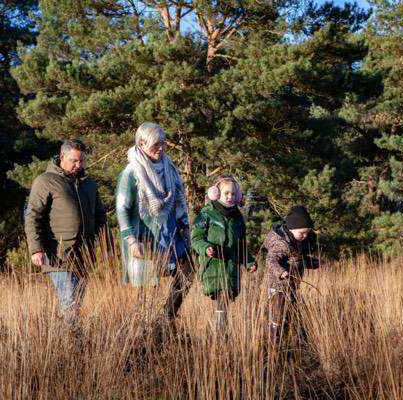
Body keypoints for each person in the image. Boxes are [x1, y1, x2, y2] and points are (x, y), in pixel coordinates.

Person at [25, 138, 109, 329]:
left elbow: (101, 218)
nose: (78, 165)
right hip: (59, 256)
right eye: (74, 161)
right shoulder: (46, 181)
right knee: (70, 303)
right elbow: (32, 217)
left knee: (75, 304)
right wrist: (36, 249)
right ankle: (69, 341)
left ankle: (68, 343)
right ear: (62, 157)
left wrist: (107, 245)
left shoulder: (88, 184)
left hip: (84, 256)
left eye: (81, 161)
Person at [116, 122, 192, 327]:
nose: (161, 148)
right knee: (145, 295)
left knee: (188, 272)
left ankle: (166, 318)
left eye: (162, 144)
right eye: (155, 144)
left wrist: (185, 228)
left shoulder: (170, 168)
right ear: (141, 144)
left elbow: (178, 202)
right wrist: (132, 241)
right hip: (145, 240)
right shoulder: (131, 172)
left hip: (171, 236)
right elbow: (122, 210)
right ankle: (137, 333)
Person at [191, 176, 257, 332]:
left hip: (232, 268)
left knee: (226, 297)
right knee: (223, 295)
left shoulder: (238, 218)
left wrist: (249, 262)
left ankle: (221, 331)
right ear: (216, 193)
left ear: (238, 196)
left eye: (233, 194)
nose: (230, 197)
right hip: (212, 266)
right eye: (226, 193)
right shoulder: (205, 215)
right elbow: (196, 238)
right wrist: (206, 248)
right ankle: (220, 332)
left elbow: (241, 245)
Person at [263, 205, 326, 345]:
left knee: (293, 311)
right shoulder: (282, 243)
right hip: (278, 286)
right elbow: (270, 259)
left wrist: (314, 262)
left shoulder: (296, 242)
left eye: (307, 233)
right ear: (292, 228)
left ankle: (294, 337)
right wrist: (280, 271)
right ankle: (274, 338)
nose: (304, 236)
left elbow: (299, 260)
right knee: (278, 311)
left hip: (291, 286)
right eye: (302, 233)